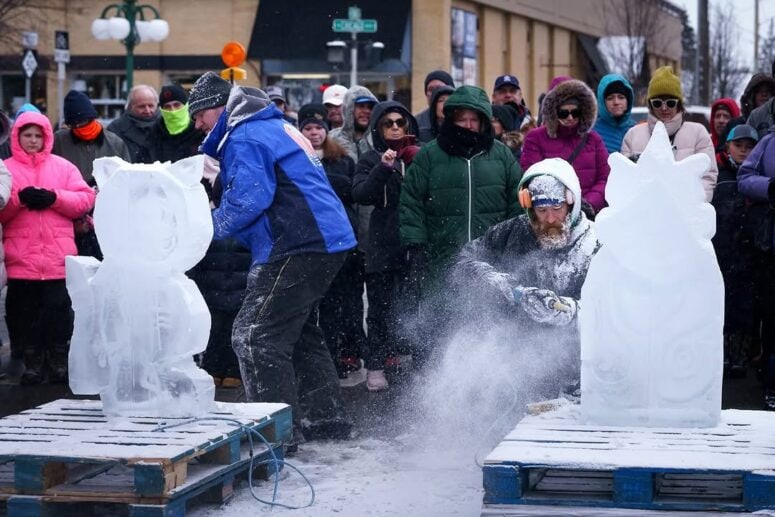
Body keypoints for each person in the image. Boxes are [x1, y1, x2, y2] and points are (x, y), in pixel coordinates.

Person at [189, 72, 357, 448]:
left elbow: (249, 201)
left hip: (298, 241)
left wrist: (201, 229)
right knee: (295, 334)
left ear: (220, 108)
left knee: (254, 337)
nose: (197, 123)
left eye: (199, 114)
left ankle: (274, 434)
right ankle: (326, 420)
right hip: (323, 239)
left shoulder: (246, 134)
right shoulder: (272, 125)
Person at [455, 158, 598, 396]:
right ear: (529, 208)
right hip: (514, 363)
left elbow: (618, 313)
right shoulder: (510, 233)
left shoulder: (596, 242)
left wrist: (569, 312)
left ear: (572, 204)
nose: (550, 219)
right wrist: (506, 286)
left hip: (578, 369)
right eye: (542, 211)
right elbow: (462, 264)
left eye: (557, 209)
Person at [399, 85, 522, 358]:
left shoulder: (501, 156)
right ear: (451, 119)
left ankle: (488, 383)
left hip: (490, 258)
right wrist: (415, 243)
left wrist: (512, 241)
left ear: (483, 121)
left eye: (474, 119)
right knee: (442, 325)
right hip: (442, 255)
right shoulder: (430, 156)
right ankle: (436, 384)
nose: (467, 125)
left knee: (488, 324)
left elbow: (517, 202)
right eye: (461, 119)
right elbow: (411, 200)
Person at [0, 110, 96, 385]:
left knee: (58, 314)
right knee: (25, 317)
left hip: (56, 259)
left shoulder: (63, 167)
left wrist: (53, 197)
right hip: (21, 260)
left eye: (37, 135)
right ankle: (32, 364)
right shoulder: (7, 167)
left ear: (46, 137)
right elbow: (1, 211)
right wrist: (20, 200)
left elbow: (84, 200)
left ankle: (57, 362)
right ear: (17, 137)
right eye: (27, 135)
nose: (32, 140)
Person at [353, 101, 420, 391]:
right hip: (382, 242)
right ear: (378, 128)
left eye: (400, 122)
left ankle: (407, 359)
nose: (395, 128)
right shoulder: (370, 158)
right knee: (380, 308)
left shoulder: (420, 154)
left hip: (414, 241)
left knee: (413, 306)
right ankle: (376, 364)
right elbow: (361, 194)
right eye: (388, 123)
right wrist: (383, 168)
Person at [297, 103, 366, 382]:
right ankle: (329, 354)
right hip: (313, 239)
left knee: (349, 300)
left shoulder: (342, 159)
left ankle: (350, 351)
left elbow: (352, 193)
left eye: (318, 128)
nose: (314, 133)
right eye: (308, 128)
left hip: (344, 238)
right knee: (323, 302)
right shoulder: (295, 159)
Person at [622, 66, 718, 202]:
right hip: (644, 214)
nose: (664, 108)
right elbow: (625, 179)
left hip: (686, 214)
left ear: (679, 104)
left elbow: (708, 177)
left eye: (671, 102)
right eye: (657, 103)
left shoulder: (698, 133)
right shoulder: (633, 135)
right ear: (650, 104)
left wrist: (691, 204)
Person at [53, 90, 130, 260]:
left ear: (93, 118)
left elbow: (127, 182)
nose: (80, 128)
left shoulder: (115, 143)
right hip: (71, 221)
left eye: (84, 122)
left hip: (107, 221)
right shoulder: (59, 142)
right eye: (75, 125)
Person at [521, 78, 610, 215]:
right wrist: (561, 205)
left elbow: (605, 178)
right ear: (554, 112)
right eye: (564, 113)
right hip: (551, 216)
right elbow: (532, 178)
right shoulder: (536, 138)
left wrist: (587, 203)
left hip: (589, 215)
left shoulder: (593, 139)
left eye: (575, 112)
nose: (570, 118)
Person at [712, 124, 758, 379]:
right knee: (721, 306)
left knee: (744, 308)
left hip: (749, 252)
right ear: (727, 145)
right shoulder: (718, 174)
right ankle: (721, 355)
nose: (743, 151)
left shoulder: (758, 173)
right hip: (722, 250)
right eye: (738, 145)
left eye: (749, 146)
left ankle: (739, 357)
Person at [738, 122, 775, 409]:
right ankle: (771, 384)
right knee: (771, 316)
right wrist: (770, 187)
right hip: (770, 244)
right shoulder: (769, 142)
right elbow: (745, 176)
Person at [149, 83, 205, 163]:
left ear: (186, 105)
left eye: (177, 105)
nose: (173, 111)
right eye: (167, 107)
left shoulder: (201, 132)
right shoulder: (154, 135)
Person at [107, 84, 159, 163]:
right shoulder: (116, 129)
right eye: (141, 106)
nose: (147, 110)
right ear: (131, 106)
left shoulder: (166, 126)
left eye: (151, 106)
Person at [593, 73, 636, 154]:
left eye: (621, 97)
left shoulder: (636, 130)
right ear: (602, 102)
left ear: (628, 101)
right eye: (610, 98)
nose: (616, 102)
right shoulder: (593, 132)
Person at [415, 70, 455, 135]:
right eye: (431, 89)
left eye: (439, 88)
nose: (435, 92)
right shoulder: (416, 122)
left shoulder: (462, 119)